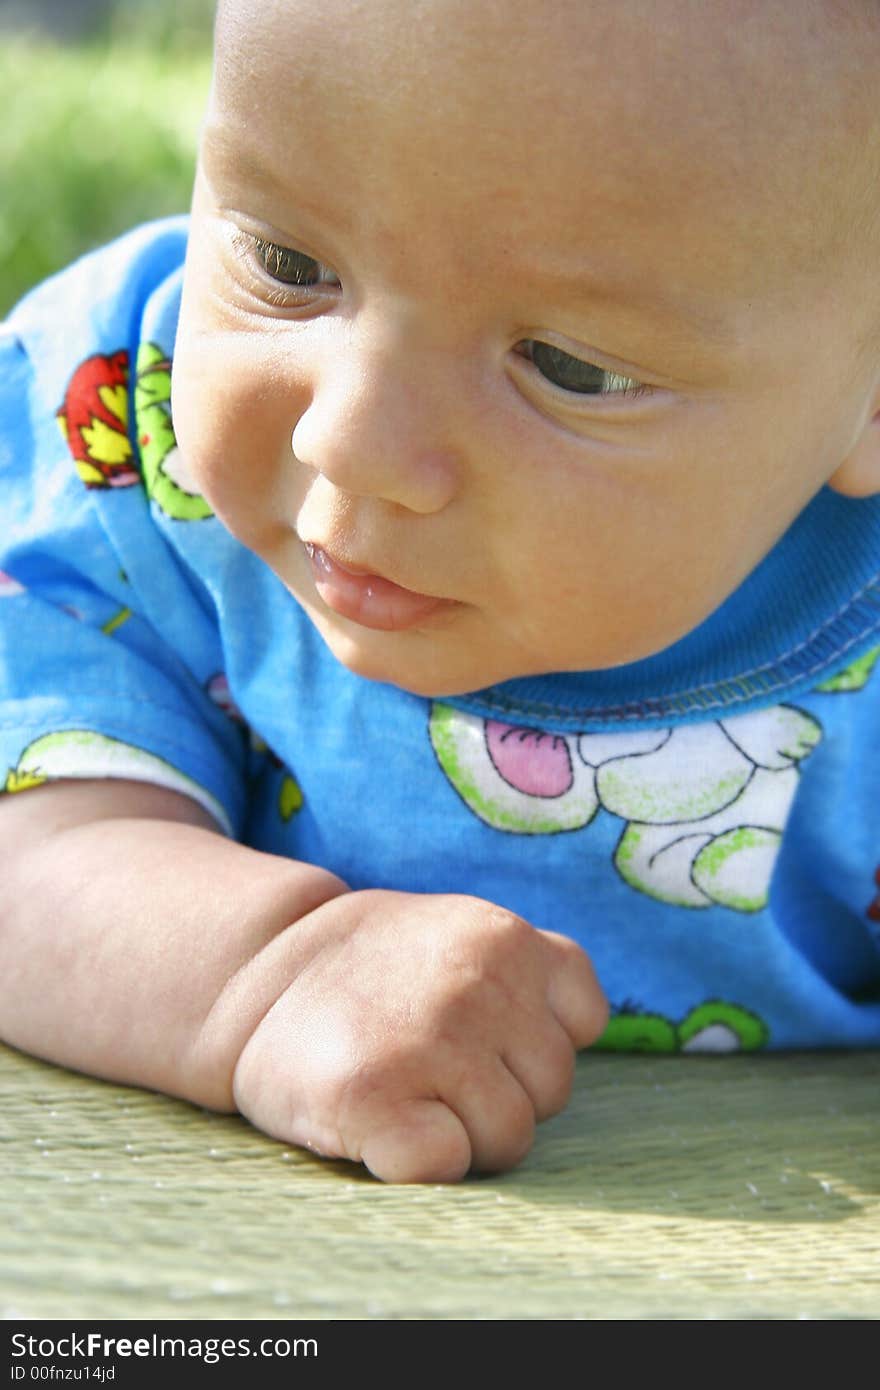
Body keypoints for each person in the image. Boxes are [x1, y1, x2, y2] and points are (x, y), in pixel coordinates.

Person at [1, 0, 879, 1184]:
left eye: (568, 366)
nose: (350, 438)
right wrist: (267, 973)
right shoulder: (113, 439)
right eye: (286, 264)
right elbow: (29, 843)